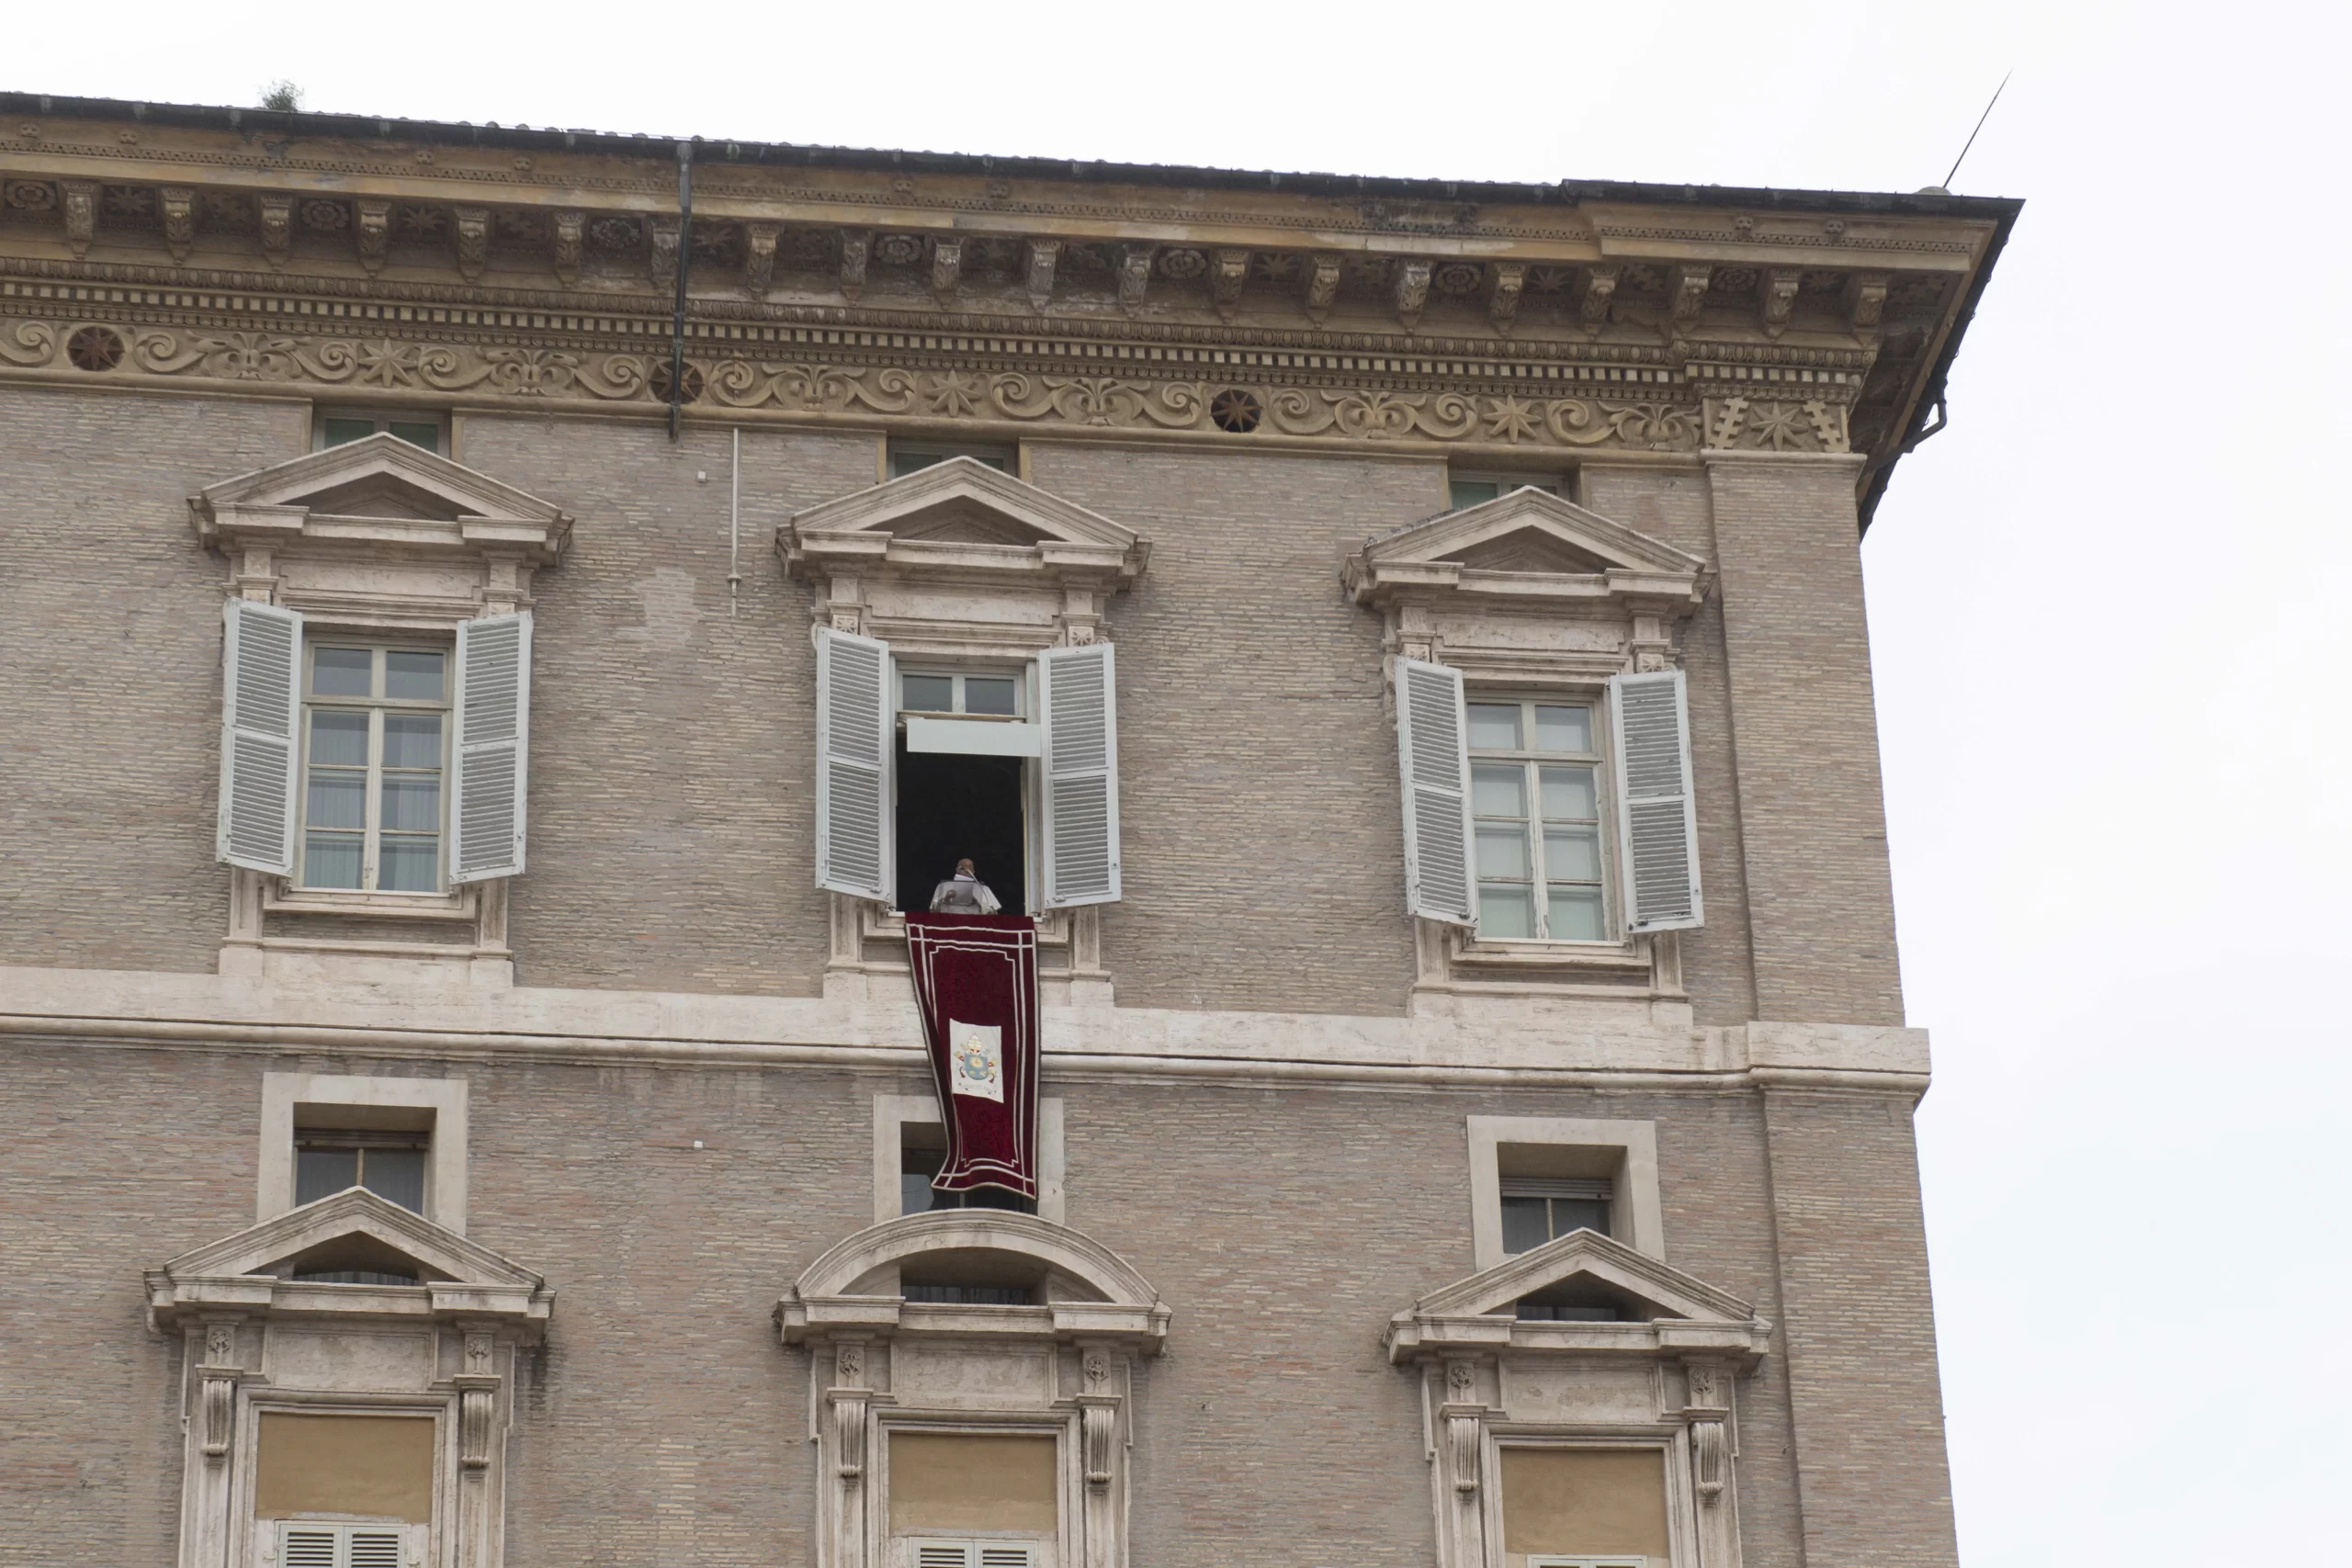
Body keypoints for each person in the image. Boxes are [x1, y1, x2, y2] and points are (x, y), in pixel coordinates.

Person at [929, 858, 1003, 915]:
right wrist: (946, 899)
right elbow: (933, 911)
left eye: (970, 867)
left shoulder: (984, 888)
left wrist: (977, 903)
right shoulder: (943, 886)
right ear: (957, 869)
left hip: (975, 923)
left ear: (973, 872)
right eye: (963, 866)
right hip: (950, 921)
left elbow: (993, 914)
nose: (967, 868)